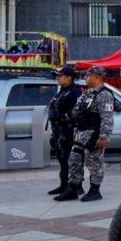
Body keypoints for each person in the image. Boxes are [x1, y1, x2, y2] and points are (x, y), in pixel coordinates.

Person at [54, 66, 114, 202]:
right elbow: (77, 109)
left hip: (94, 134)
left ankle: (94, 190)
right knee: (74, 160)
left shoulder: (104, 94)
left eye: (88, 76)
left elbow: (107, 117)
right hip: (80, 133)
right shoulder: (88, 93)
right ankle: (73, 189)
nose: (85, 78)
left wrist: (104, 136)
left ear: (97, 77)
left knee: (94, 163)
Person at [46, 65, 81, 195]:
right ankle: (63, 185)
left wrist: (70, 127)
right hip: (58, 129)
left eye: (60, 76)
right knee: (61, 157)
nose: (57, 78)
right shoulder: (62, 91)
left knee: (70, 159)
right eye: (57, 76)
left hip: (68, 130)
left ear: (69, 78)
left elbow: (77, 112)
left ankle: (74, 186)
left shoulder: (74, 92)